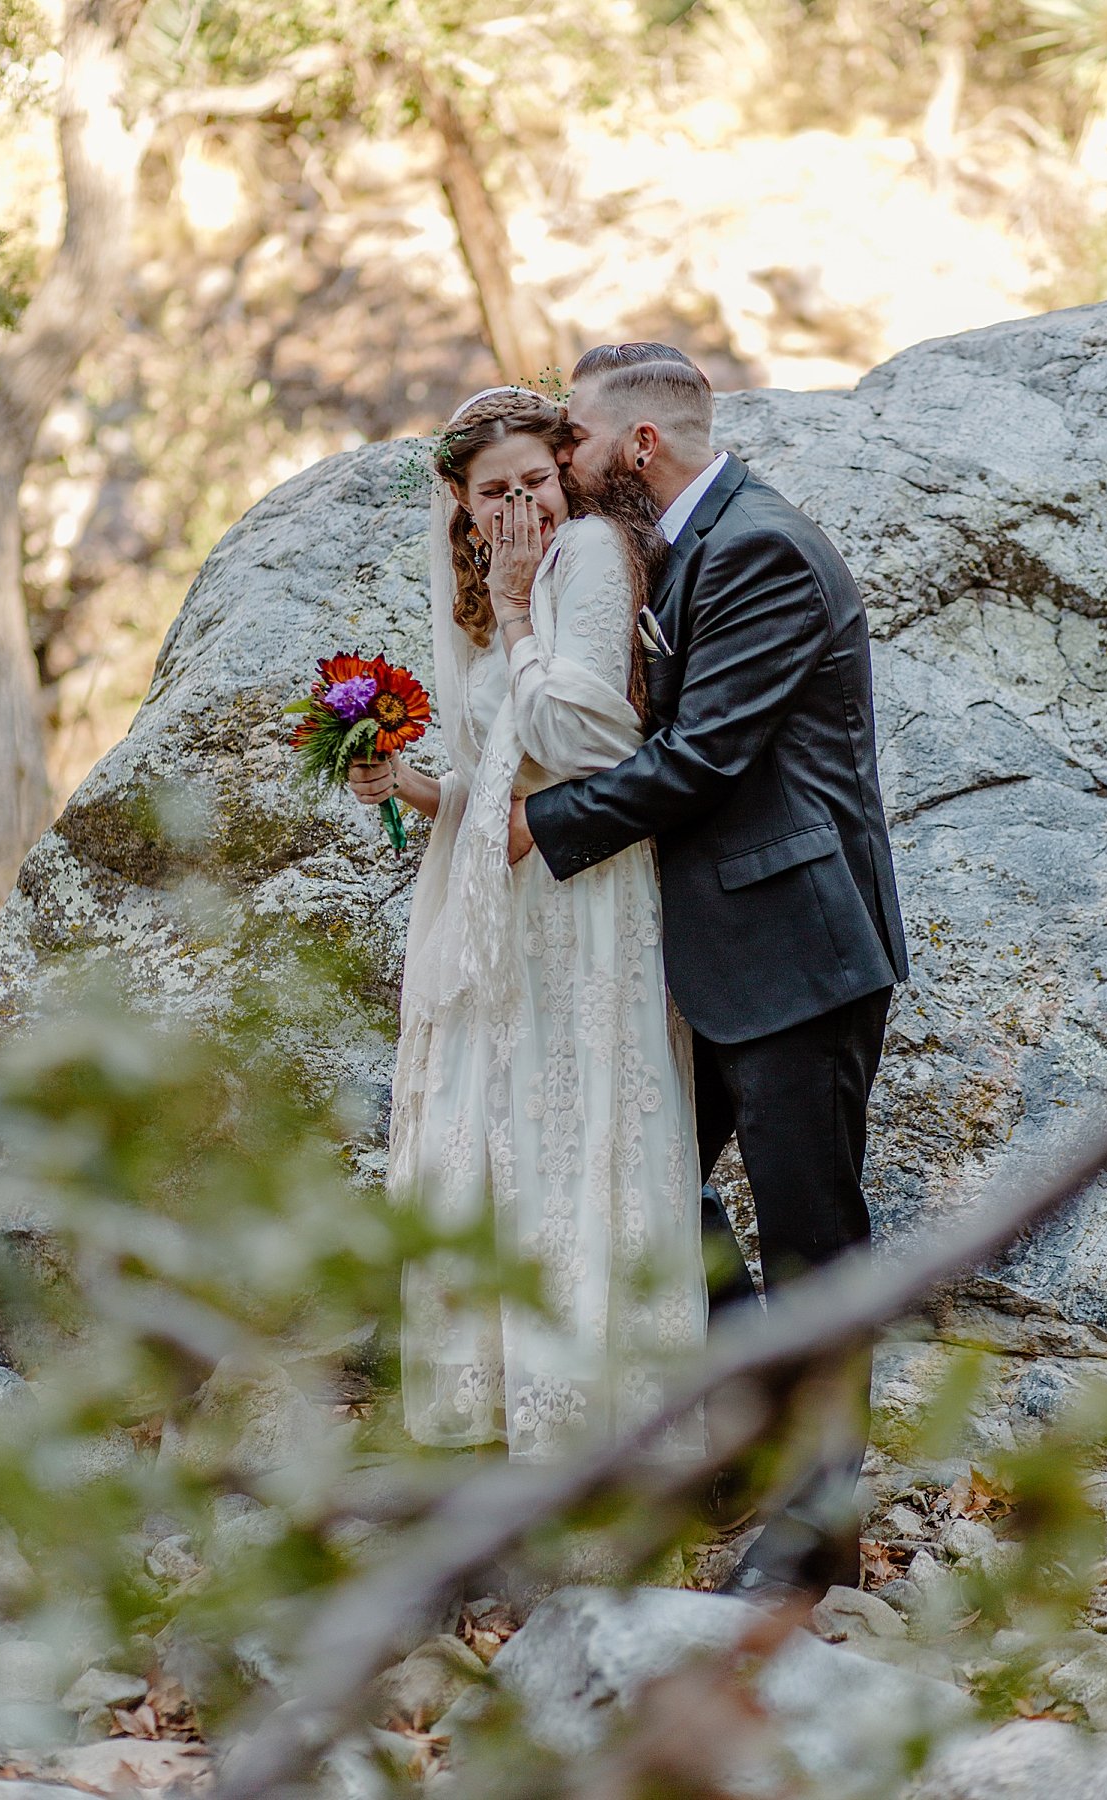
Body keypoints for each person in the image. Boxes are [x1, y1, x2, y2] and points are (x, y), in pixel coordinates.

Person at [509, 344, 908, 1598]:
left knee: (813, 1253)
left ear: (638, 447)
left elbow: (702, 760)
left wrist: (546, 825)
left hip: (795, 954)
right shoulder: (683, 549)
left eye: (571, 441)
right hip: (713, 955)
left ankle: (816, 1544)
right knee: (636, 1186)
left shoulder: (759, 549)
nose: (562, 467)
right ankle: (749, 1440)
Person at [348, 385, 707, 1465]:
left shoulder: (588, 557)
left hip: (585, 894)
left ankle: (608, 1431)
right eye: (493, 493)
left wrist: (515, 608)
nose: (521, 509)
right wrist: (405, 782)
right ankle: (505, 1417)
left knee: (582, 1119)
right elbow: (487, 774)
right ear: (460, 504)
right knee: (499, 1128)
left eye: (536, 483)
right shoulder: (480, 589)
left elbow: (591, 733)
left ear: (567, 474)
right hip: (494, 897)